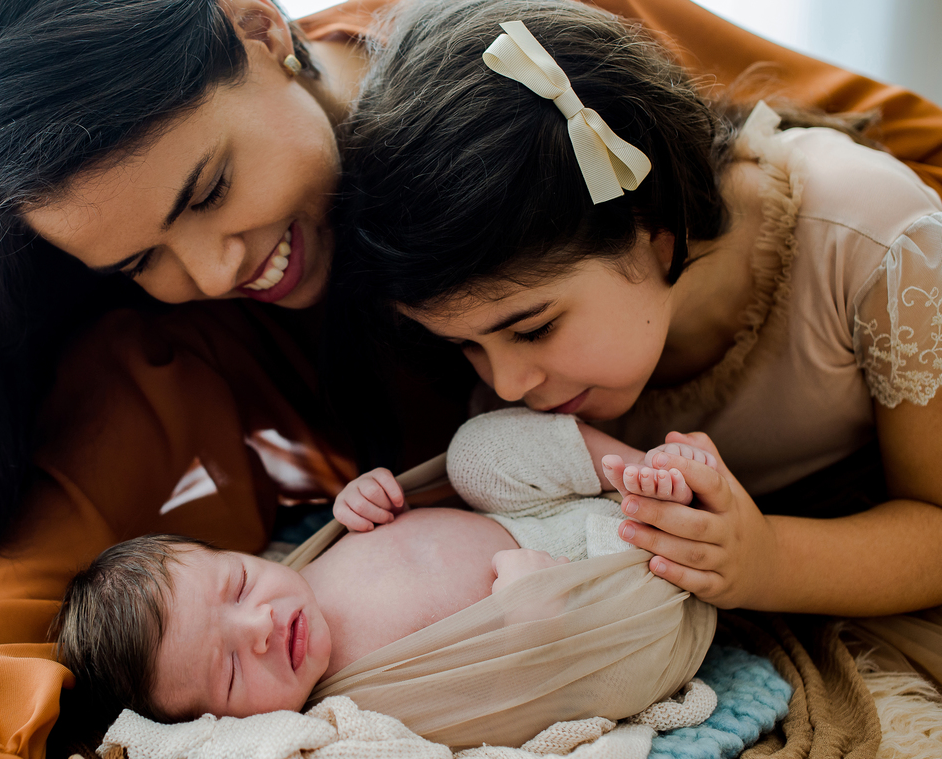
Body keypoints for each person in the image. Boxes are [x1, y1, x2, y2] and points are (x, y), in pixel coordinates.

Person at [0, 0, 942, 759]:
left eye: (209, 189)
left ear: (258, 26)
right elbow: (2, 613)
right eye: (136, 259)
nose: (208, 274)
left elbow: (885, 167)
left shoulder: (534, 60)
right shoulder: (180, 341)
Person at [330, 0, 942, 669]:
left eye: (532, 329)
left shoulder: (876, 243)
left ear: (656, 235)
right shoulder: (531, 352)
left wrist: (765, 559)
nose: (504, 385)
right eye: (466, 346)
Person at [54, 409, 716, 748]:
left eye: (238, 586)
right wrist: (530, 610)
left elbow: (411, 511)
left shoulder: (302, 566)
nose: (257, 627)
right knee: (631, 647)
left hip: (540, 514)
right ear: (216, 724)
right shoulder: (350, 712)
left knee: (475, 451)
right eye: (229, 670)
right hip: (597, 601)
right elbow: (493, 708)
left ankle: (644, 473)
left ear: (242, 555)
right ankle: (681, 525)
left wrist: (368, 499)